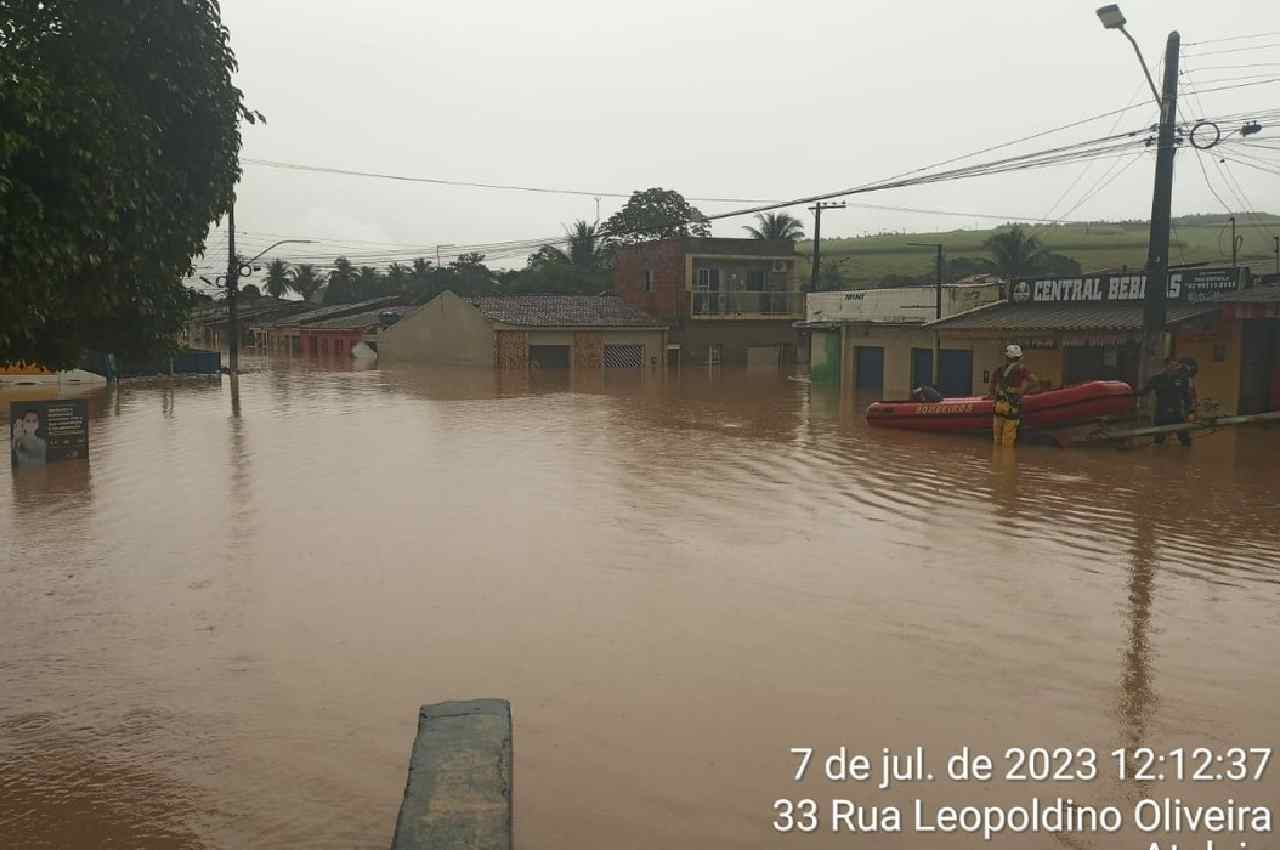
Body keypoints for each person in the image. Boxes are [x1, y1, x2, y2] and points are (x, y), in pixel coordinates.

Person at [989, 344, 1038, 447]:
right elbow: (1034, 381)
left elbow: (992, 387)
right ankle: (1007, 461)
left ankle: (997, 460)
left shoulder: (999, 370)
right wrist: (1021, 391)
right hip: (1012, 406)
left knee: (997, 439)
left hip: (998, 406)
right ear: (1019, 357)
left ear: (1006, 357)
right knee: (1008, 440)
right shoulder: (1021, 369)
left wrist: (995, 398)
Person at [1142, 357, 1196, 446]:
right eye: (1171, 365)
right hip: (1161, 412)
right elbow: (1144, 391)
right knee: (1158, 442)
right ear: (1166, 366)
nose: (1174, 367)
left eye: (1176, 365)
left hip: (1177, 412)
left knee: (1186, 441)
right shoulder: (1156, 378)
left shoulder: (1182, 379)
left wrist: (1190, 411)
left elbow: (1187, 397)